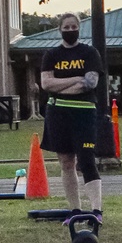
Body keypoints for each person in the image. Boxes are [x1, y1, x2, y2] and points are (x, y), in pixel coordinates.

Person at [39, 12, 104, 223]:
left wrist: (60, 85)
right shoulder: (51, 55)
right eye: (65, 28)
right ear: (60, 29)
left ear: (78, 28)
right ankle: (75, 210)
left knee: (86, 160)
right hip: (57, 115)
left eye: (73, 27)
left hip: (84, 113)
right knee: (66, 161)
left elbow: (91, 83)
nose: (69, 31)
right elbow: (46, 84)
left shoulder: (89, 53)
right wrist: (76, 78)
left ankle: (96, 211)